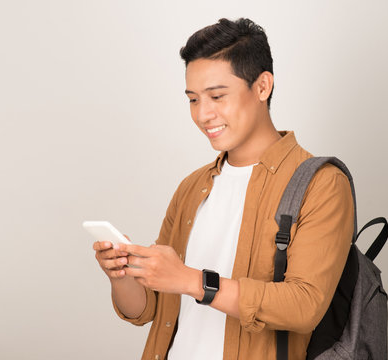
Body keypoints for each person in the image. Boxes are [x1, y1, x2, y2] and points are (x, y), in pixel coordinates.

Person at [93, 18, 354, 360]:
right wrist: (124, 274)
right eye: (193, 100)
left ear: (263, 87)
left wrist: (191, 280)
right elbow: (147, 310)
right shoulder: (192, 187)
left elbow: (304, 307)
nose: (203, 114)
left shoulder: (321, 183)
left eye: (217, 96)